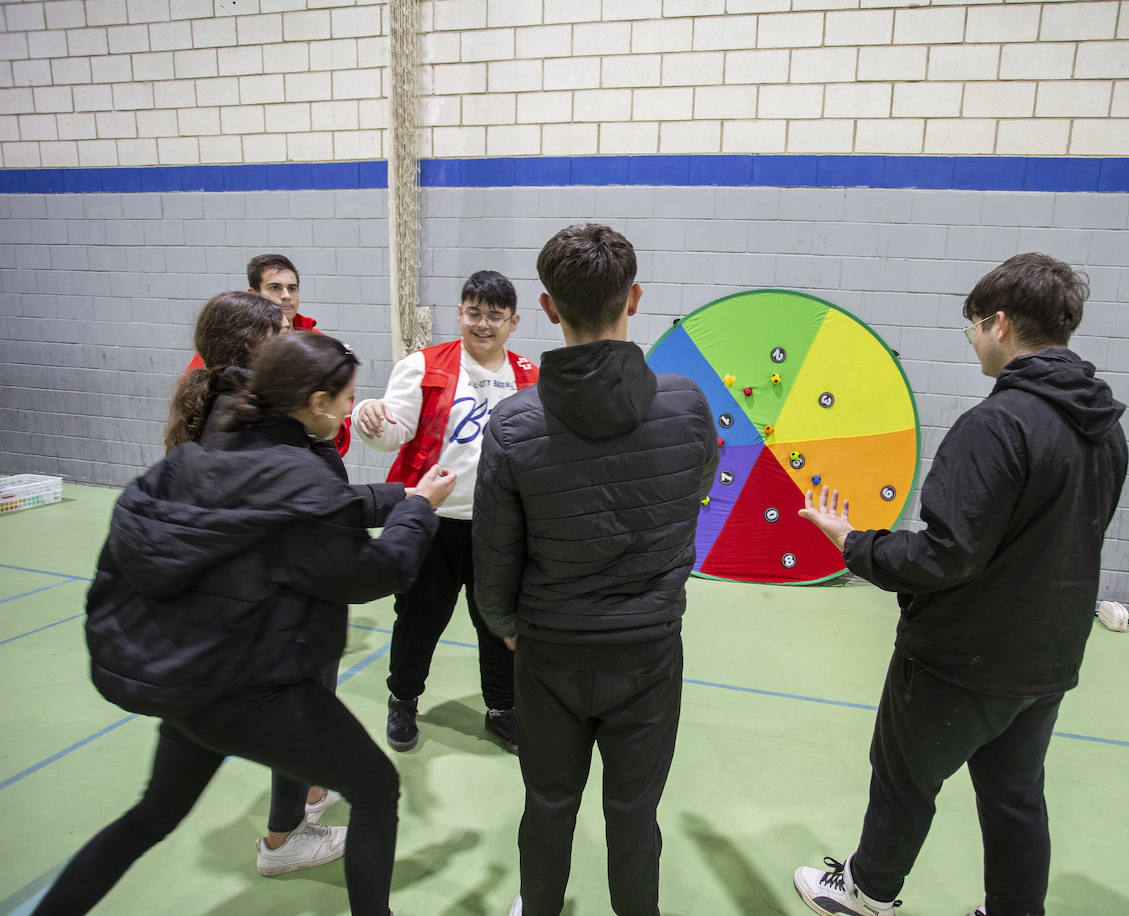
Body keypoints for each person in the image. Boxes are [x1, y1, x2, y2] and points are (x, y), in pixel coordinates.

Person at [36, 331, 457, 916]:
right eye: (345, 398)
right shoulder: (300, 475)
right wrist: (419, 512)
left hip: (191, 678)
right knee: (376, 789)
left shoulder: (207, 453)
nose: (347, 410)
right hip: (252, 687)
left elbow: (303, 511)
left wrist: (400, 496)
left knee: (151, 817)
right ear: (316, 402)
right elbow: (370, 572)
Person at [791, 252, 1129, 916]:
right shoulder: (1104, 427)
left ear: (999, 323)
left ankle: (866, 894)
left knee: (904, 780)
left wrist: (855, 543)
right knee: (1017, 797)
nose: (973, 339)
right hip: (1048, 659)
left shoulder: (996, 425)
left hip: (962, 659)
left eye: (973, 325)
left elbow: (947, 556)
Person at [472, 224, 718, 916]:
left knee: (548, 801)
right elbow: (695, 491)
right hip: (648, 649)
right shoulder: (688, 405)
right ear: (633, 299)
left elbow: (493, 557)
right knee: (635, 810)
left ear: (548, 308)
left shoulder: (513, 424)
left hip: (549, 648)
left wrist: (508, 625)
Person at [166, 291, 356, 876]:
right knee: (299, 708)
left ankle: (309, 789)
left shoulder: (230, 405)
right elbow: (323, 496)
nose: (289, 337)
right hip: (279, 597)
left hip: (265, 587)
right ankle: (284, 840)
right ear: (251, 344)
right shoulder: (255, 421)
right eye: (279, 330)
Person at [352, 270, 538, 753]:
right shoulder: (421, 366)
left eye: (494, 316)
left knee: (499, 625)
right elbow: (391, 433)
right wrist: (371, 419)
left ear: (513, 322)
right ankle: (402, 700)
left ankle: (503, 710)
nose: (483, 324)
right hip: (431, 522)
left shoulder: (530, 377)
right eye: (473, 313)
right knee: (419, 620)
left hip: (499, 528)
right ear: (459, 314)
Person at [185, 254, 351, 455]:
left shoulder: (318, 345)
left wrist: (323, 431)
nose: (286, 296)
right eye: (275, 288)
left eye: (292, 288)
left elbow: (340, 419)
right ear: (253, 294)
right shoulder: (224, 348)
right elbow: (194, 404)